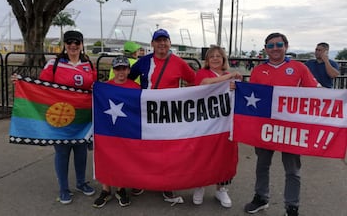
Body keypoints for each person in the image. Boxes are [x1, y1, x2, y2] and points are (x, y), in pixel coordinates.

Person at [244, 33, 318, 216]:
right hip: (265, 127)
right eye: (271, 45)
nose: (275, 48)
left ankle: (292, 206)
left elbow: (316, 93)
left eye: (278, 44)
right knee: (262, 165)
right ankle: (261, 197)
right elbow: (249, 96)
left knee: (292, 169)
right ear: (265, 49)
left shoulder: (299, 68)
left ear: (286, 46)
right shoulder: (258, 70)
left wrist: (339, 98)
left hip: (291, 128)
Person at [128, 28, 196, 201]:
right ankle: (141, 180)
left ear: (170, 43)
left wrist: (183, 98)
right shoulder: (144, 61)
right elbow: (128, 78)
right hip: (146, 113)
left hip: (169, 115)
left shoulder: (179, 62)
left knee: (168, 149)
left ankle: (167, 183)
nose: (162, 44)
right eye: (158, 40)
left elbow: (194, 81)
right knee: (144, 147)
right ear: (152, 44)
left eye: (165, 40)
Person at [39, 30, 97, 204]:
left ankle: (81, 183)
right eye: (69, 42)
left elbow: (94, 87)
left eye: (76, 42)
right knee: (62, 153)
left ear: (81, 44)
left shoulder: (88, 64)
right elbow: (42, 87)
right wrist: (19, 82)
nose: (73, 45)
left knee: (81, 152)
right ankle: (64, 188)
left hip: (82, 119)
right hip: (61, 118)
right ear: (64, 44)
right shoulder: (54, 64)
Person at [192, 46, 242, 208]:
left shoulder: (229, 76)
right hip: (206, 123)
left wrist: (235, 84)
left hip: (225, 123)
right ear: (207, 60)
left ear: (223, 59)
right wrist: (228, 80)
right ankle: (200, 185)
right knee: (204, 154)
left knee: (224, 156)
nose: (215, 59)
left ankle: (221, 188)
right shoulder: (203, 73)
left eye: (218, 56)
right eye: (211, 56)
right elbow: (205, 84)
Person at [93, 55, 140, 208]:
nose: (121, 72)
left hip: (126, 130)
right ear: (113, 70)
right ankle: (105, 189)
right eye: (118, 69)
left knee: (122, 158)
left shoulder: (135, 87)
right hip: (107, 130)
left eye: (124, 68)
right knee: (106, 156)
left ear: (128, 70)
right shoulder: (104, 87)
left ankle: (121, 189)